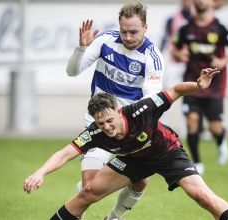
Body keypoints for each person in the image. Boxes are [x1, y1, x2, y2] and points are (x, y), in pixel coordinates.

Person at [23, 68, 228, 220]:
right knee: (88, 192)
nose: (107, 127)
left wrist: (198, 85)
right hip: (135, 159)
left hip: (167, 151)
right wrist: (40, 173)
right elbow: (64, 154)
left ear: (119, 111)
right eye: (101, 123)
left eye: (110, 120)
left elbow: (175, 91)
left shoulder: (142, 109)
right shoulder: (96, 132)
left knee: (201, 195)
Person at [66, 2, 164, 220]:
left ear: (145, 27)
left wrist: (134, 120)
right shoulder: (105, 41)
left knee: (140, 181)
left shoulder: (152, 57)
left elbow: (151, 98)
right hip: (101, 124)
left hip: (130, 128)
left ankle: (114, 217)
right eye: (124, 31)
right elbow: (72, 72)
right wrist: (81, 48)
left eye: (134, 32)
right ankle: (80, 199)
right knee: (90, 188)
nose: (128, 37)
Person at [172, 0, 228, 175]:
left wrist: (223, 61)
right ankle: (197, 163)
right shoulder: (186, 28)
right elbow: (175, 48)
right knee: (192, 122)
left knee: (214, 127)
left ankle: (221, 140)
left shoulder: (220, 27)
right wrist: (180, 54)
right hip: (193, 82)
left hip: (215, 85)